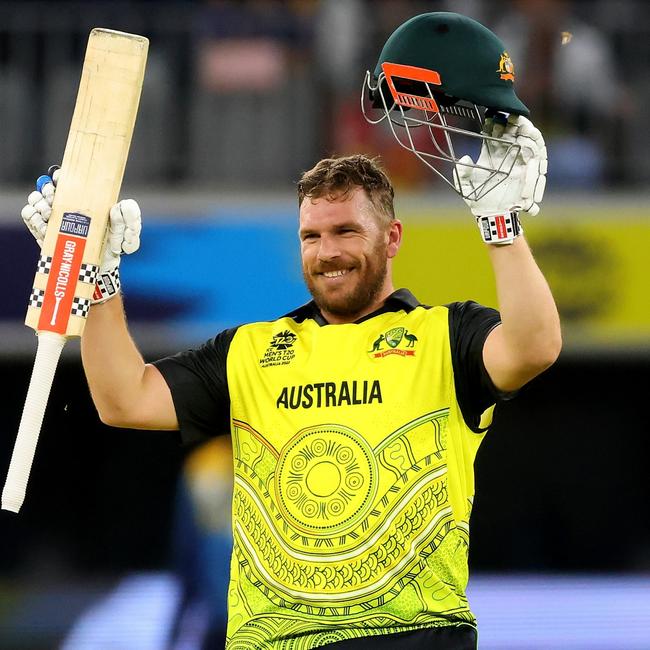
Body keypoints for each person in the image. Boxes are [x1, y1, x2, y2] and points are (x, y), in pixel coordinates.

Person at [21, 12, 561, 650]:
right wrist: (98, 276)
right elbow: (123, 399)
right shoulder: (250, 350)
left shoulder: (446, 336)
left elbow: (533, 347)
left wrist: (502, 225)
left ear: (391, 239)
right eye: (312, 236)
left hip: (409, 635)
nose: (327, 251)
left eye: (345, 232)